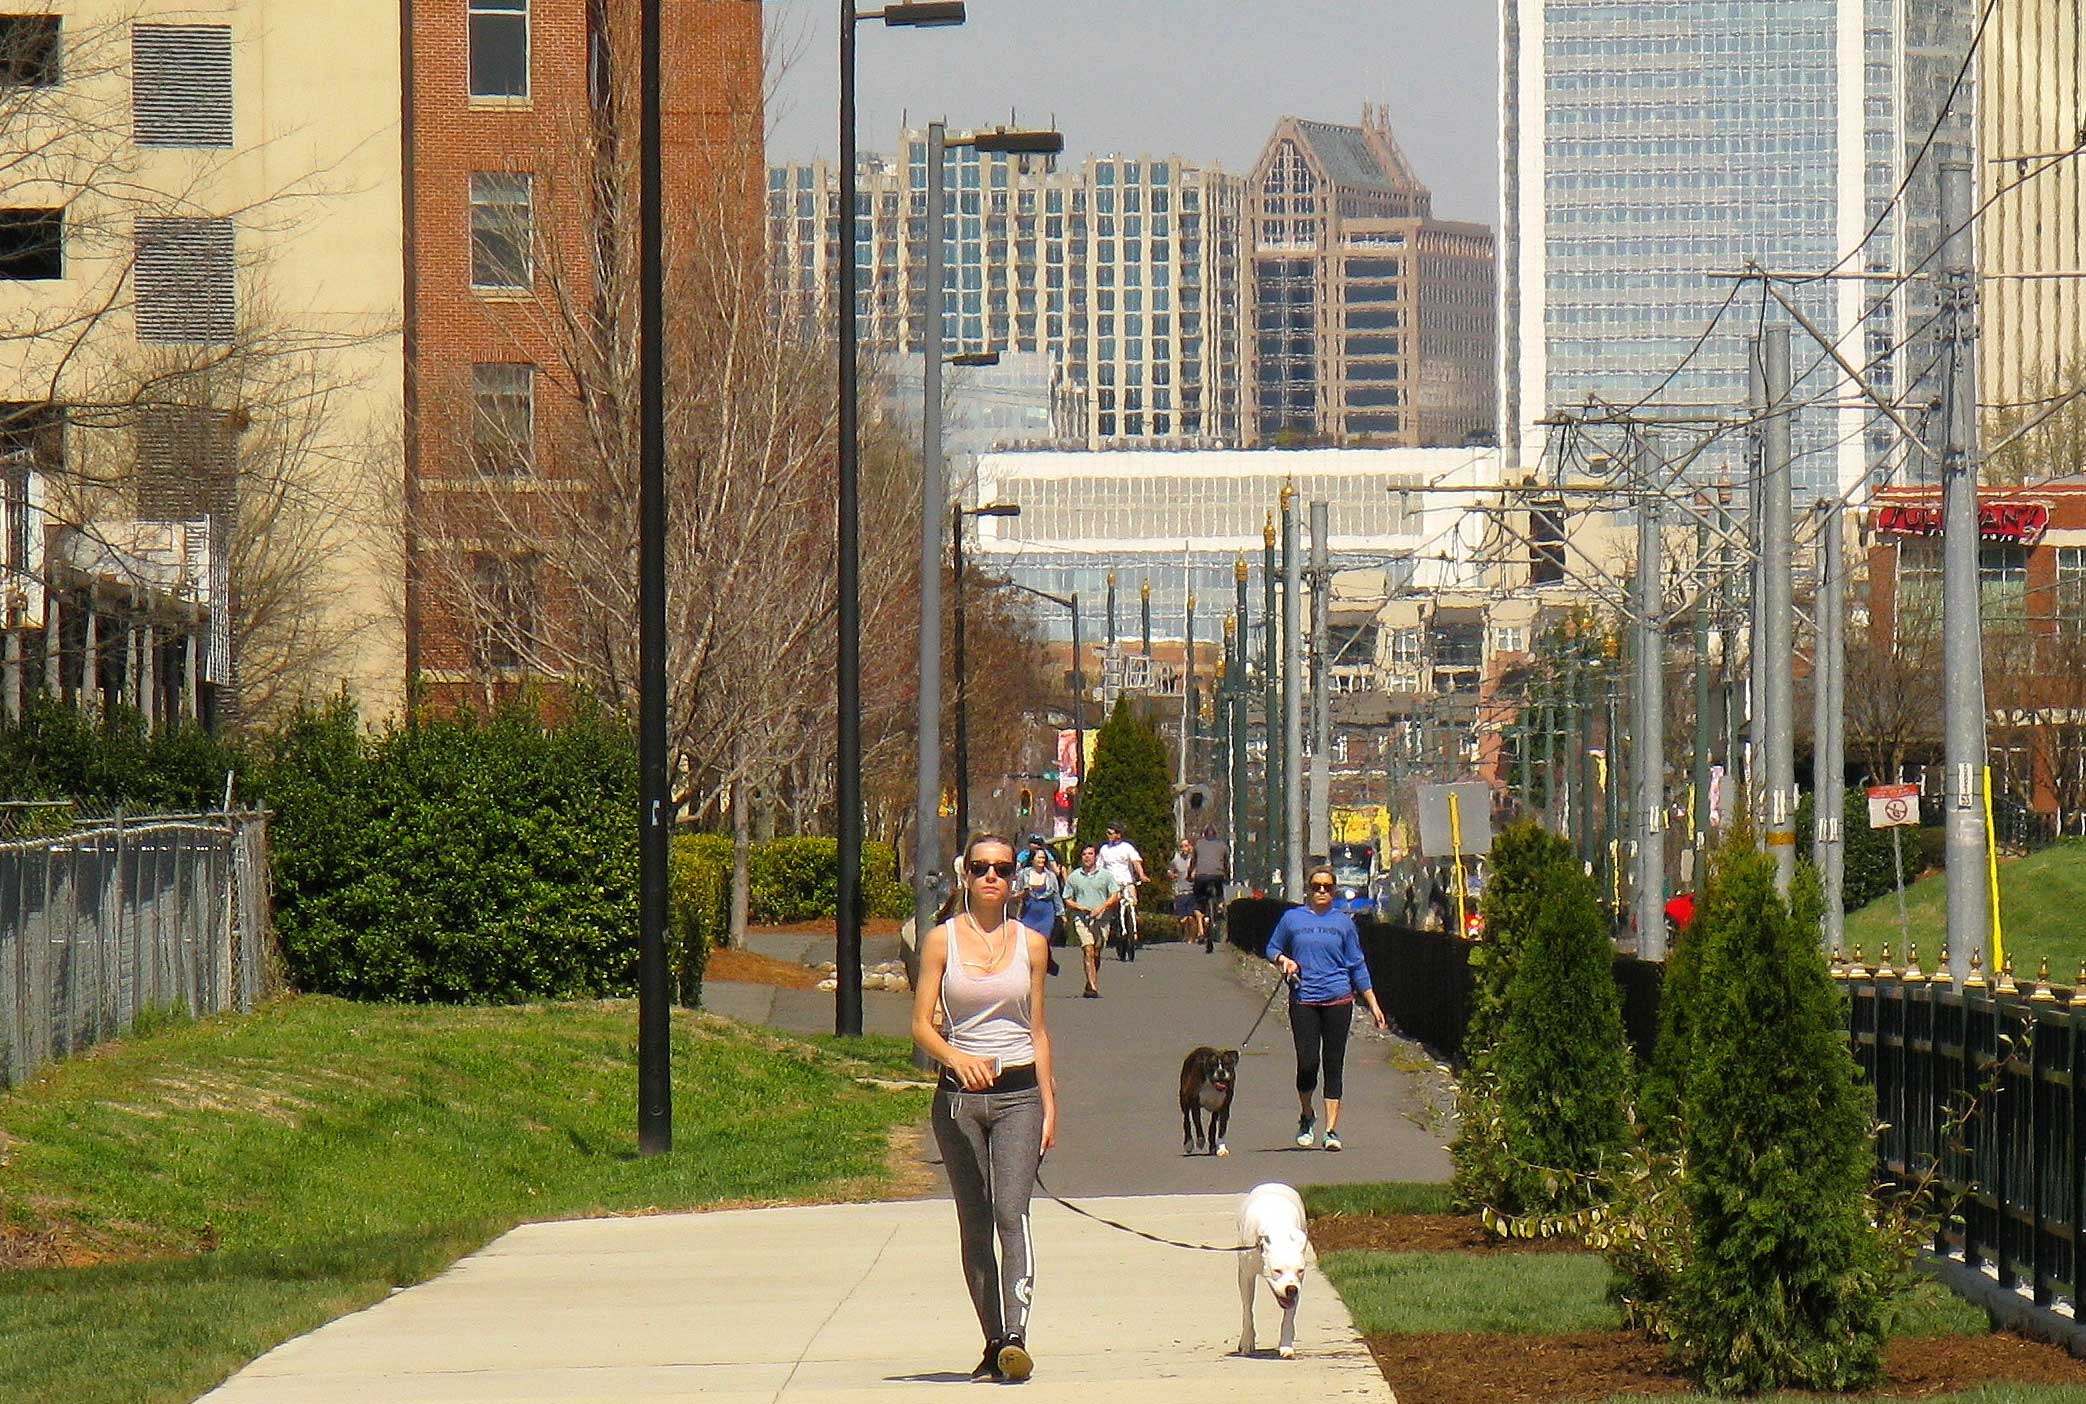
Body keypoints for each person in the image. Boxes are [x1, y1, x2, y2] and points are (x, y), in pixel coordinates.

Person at [911, 834, 1058, 1383]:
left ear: (1014, 878)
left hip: (1019, 1095)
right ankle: (993, 1340)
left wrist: (1049, 1103)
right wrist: (956, 1056)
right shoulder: (940, 942)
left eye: (1003, 867)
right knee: (975, 1220)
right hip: (959, 1100)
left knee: (1011, 1214)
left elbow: (1038, 1030)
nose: (992, 876)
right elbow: (921, 1025)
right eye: (982, 868)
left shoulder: (1032, 944)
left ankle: (1017, 1336)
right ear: (965, 876)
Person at [1265, 864, 1388, 1153]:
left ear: (1334, 891)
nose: (1322, 891)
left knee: (1334, 1064)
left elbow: (1357, 964)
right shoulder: (1292, 918)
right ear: (1308, 889)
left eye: (1327, 888)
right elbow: (1271, 948)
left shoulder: (1343, 923)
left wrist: (1373, 1003)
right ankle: (1307, 1115)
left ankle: (1331, 1130)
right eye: (1316, 886)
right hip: (1304, 999)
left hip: (1338, 1000)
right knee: (1308, 1063)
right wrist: (1284, 960)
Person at [1060, 843, 1119, 998]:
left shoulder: (1105, 875)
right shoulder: (1074, 876)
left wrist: (1103, 907)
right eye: (1084, 854)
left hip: (1102, 919)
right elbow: (1067, 898)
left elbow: (1115, 895)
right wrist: (1079, 907)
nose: (1087, 857)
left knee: (1097, 951)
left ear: (1096, 856)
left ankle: (1090, 979)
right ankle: (1093, 987)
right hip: (1082, 919)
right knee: (1088, 949)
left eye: (1090, 854)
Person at [1096, 821, 1147, 961]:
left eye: (1111, 833)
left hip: (1126, 881)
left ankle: (1133, 931)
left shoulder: (1127, 848)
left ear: (1118, 834)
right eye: (1107, 833)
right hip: (1112, 884)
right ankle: (1111, 931)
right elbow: (1099, 867)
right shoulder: (1104, 849)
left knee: (1132, 902)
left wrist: (1141, 875)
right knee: (1109, 910)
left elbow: (1136, 862)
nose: (1109, 836)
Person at [1190, 825, 1231, 952]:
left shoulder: (1198, 844)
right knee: (1219, 892)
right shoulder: (1223, 846)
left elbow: (1193, 861)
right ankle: (1219, 905)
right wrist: (1227, 875)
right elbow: (1226, 863)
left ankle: (1201, 926)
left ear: (1204, 834)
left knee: (1198, 900)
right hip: (1217, 875)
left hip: (1201, 876)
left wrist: (1189, 873)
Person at [1017, 847, 1064, 950]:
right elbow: (1017, 894)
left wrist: (1061, 914)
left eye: (1043, 858)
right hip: (1028, 912)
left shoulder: (1050, 876)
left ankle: (1044, 964)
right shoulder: (1023, 874)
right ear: (1032, 859)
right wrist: (1023, 893)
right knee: (1028, 943)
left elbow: (1056, 896)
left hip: (1046, 912)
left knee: (1043, 941)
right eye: (1039, 857)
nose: (1041, 860)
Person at [1170, 839, 1199, 941]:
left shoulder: (1194, 859)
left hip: (1192, 891)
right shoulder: (1176, 860)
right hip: (1180, 891)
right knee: (1182, 919)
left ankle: (1192, 938)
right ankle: (1184, 934)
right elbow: (1170, 870)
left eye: (1186, 846)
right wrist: (1172, 875)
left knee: (1191, 917)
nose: (1184, 849)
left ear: (1190, 847)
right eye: (1182, 846)